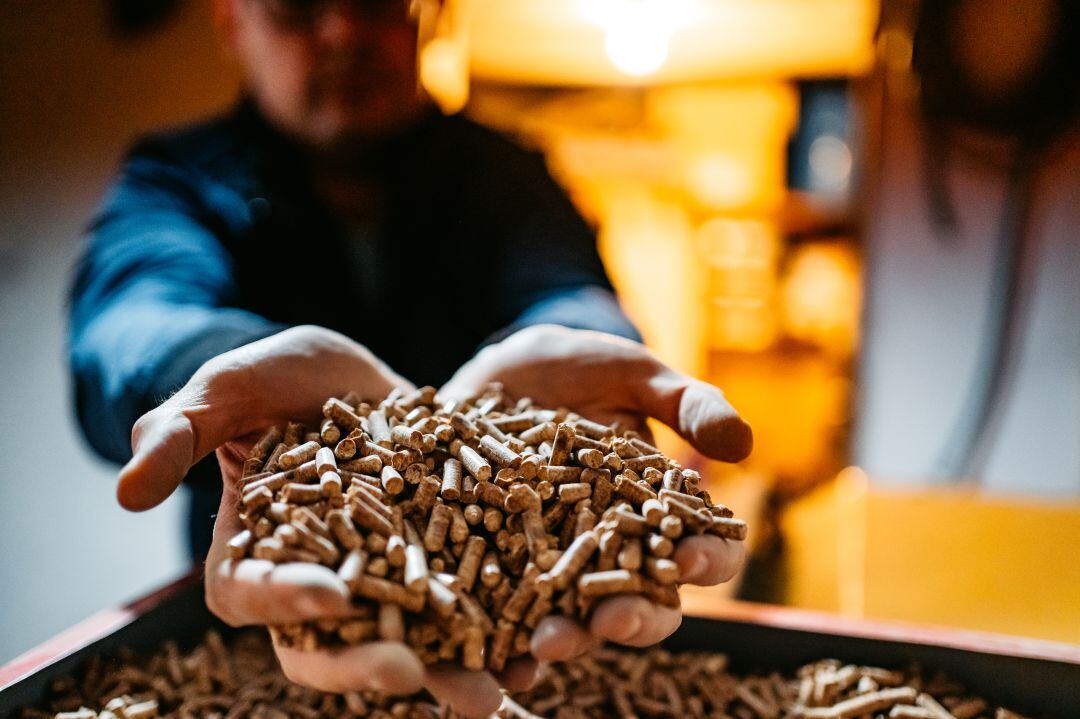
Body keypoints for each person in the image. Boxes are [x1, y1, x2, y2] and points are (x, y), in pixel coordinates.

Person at [68, 0, 753, 715]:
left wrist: (585, 351)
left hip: (529, 645)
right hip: (268, 627)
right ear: (231, 24)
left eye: (378, 1)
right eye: (296, 7)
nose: (342, 29)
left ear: (428, 18)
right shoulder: (172, 178)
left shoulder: (507, 177)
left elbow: (564, 292)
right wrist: (213, 366)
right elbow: (132, 320)